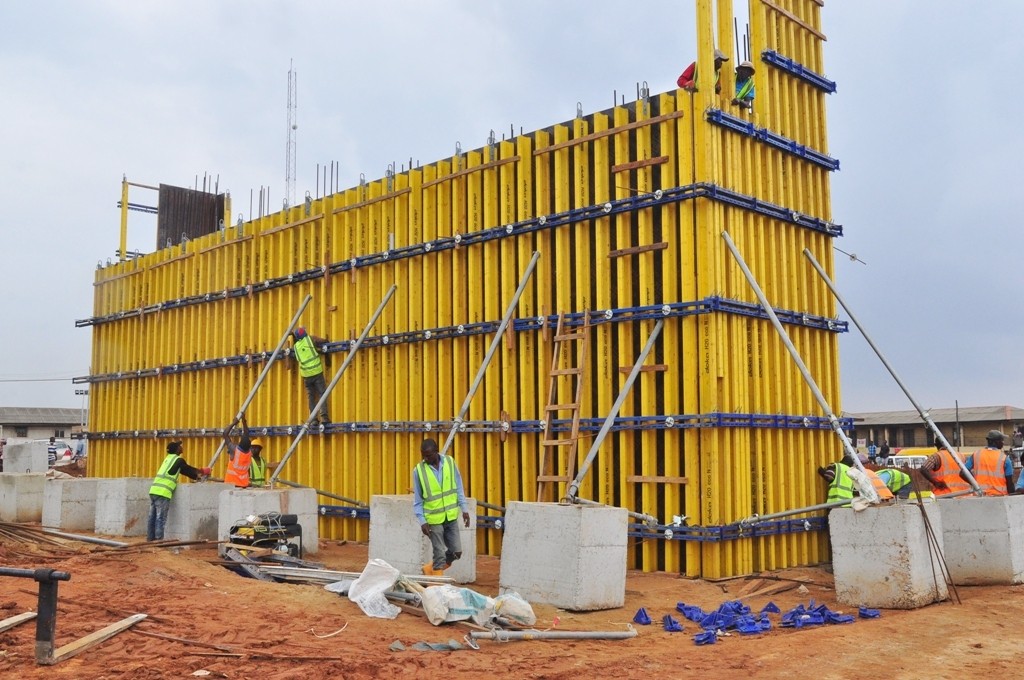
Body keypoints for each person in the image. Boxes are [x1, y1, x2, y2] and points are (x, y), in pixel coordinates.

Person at [412, 438, 470, 576]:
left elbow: (458, 488)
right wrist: (422, 521)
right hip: (433, 520)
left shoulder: (450, 463)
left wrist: (465, 510)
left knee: (456, 552)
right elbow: (418, 501)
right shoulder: (419, 471)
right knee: (439, 554)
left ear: (436, 452)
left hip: (450, 516)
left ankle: (428, 570)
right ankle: (436, 588)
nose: (425, 458)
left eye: (428, 455)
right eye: (423, 455)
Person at [147, 441, 210, 541]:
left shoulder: (168, 459)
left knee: (152, 517)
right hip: (163, 492)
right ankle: (158, 541)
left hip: (154, 490)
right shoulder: (178, 460)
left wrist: (196, 475)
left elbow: (183, 470)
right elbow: (187, 469)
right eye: (179, 446)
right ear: (177, 449)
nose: (181, 447)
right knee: (160, 518)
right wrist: (200, 472)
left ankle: (150, 539)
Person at [292, 327, 330, 424]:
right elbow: (321, 341)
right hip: (316, 372)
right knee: (322, 393)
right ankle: (324, 417)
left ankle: (313, 420)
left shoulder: (296, 347)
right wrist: (326, 341)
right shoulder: (310, 339)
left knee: (311, 397)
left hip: (306, 376)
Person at [964, 430, 1012, 496]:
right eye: (1001, 440)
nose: (1003, 443)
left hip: (980, 496)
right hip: (999, 497)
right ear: (996, 441)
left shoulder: (976, 454)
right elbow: (1010, 483)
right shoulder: (1004, 458)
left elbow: (963, 472)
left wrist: (974, 484)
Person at [223, 415, 253, 488]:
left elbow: (225, 434)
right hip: (243, 485)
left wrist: (234, 423)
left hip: (231, 485)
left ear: (240, 443)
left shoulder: (234, 450)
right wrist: (244, 421)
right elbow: (246, 433)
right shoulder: (249, 453)